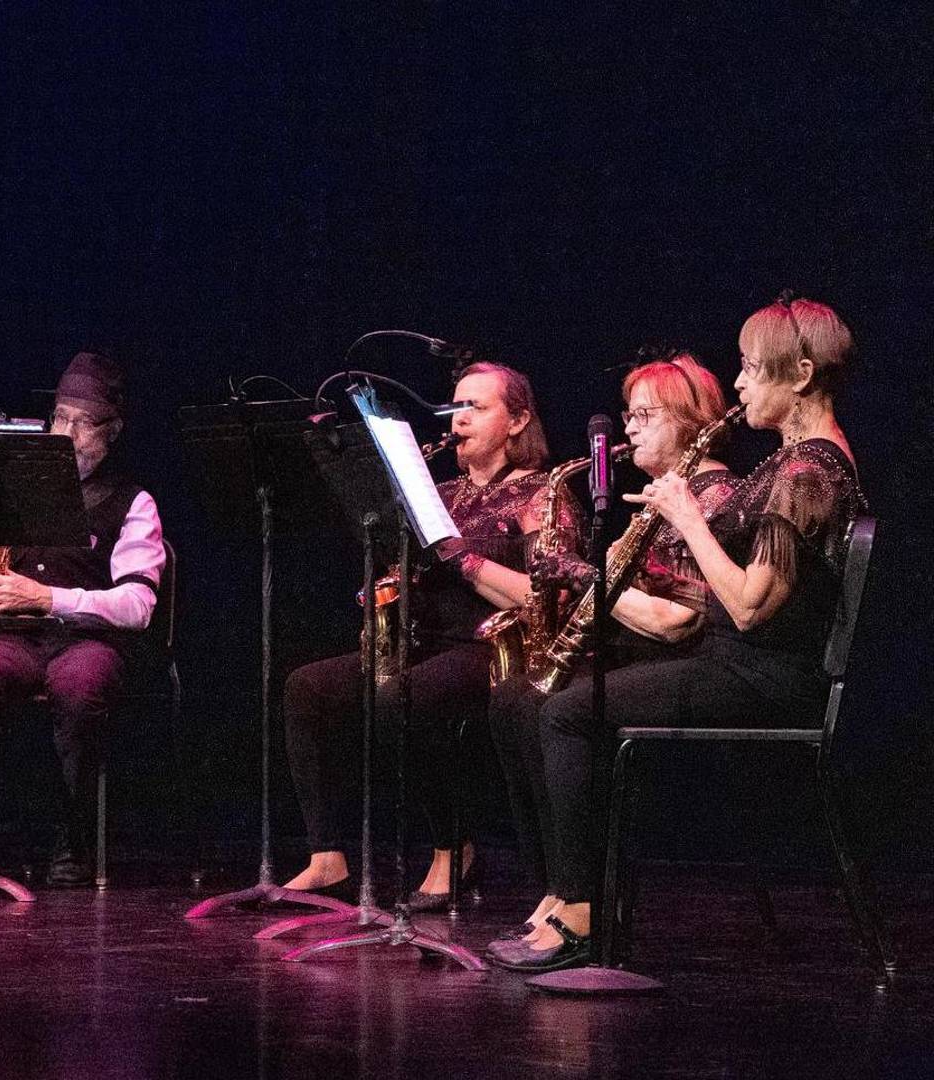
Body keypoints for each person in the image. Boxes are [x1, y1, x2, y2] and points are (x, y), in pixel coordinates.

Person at [497, 297, 865, 973]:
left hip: (761, 676)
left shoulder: (810, 470)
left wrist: (688, 518)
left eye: (754, 369)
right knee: (541, 699)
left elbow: (752, 608)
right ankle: (565, 895)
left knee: (573, 712)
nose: (743, 384)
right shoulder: (793, 461)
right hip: (740, 664)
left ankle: (581, 912)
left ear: (803, 373)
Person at [281, 362, 568, 909]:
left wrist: (462, 557)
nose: (458, 422)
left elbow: (543, 599)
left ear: (518, 420)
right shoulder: (441, 494)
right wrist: (391, 585)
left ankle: (452, 849)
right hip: (425, 643)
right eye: (454, 408)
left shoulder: (540, 495)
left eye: (475, 408)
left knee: (406, 696)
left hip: (493, 649)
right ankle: (327, 858)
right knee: (308, 688)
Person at [486, 352, 737, 961]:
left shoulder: (714, 494)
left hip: (694, 663)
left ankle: (584, 904)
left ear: (688, 419)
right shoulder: (660, 498)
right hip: (645, 656)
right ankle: (558, 885)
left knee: (563, 710)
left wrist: (578, 573)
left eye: (643, 414)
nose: (628, 427)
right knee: (515, 698)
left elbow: (679, 620)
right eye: (627, 414)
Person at [0, 350, 166, 887]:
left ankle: (73, 840)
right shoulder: (16, 490)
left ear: (113, 431)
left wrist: (48, 598)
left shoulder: (134, 502)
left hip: (90, 641)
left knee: (81, 684)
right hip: (21, 638)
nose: (67, 434)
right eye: (60, 418)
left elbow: (139, 606)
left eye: (84, 423)